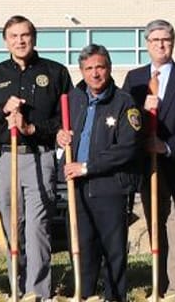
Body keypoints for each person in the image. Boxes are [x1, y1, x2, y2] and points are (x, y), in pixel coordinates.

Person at [0, 15, 72, 298]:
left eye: (25, 36)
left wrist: (32, 128)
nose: (20, 41)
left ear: (34, 38)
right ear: (5, 41)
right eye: (14, 36)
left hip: (39, 158)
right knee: (12, 230)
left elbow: (65, 119)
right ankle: (16, 287)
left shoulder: (55, 72)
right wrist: (2, 111)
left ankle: (38, 292)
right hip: (5, 160)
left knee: (38, 229)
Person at [122, 19, 175, 298]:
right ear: (147, 44)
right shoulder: (134, 80)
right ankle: (159, 288)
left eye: (166, 39)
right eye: (155, 40)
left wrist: (168, 147)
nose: (161, 44)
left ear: (173, 42)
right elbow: (127, 122)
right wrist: (142, 111)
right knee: (156, 233)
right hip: (149, 171)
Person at [58, 45, 144, 301]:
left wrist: (88, 166)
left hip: (110, 188)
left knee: (113, 251)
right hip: (78, 189)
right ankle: (83, 295)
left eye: (100, 67)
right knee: (82, 249)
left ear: (109, 68)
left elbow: (128, 148)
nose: (95, 74)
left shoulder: (123, 102)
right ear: (81, 71)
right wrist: (59, 137)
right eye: (89, 68)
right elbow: (62, 131)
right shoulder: (73, 99)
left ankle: (115, 297)